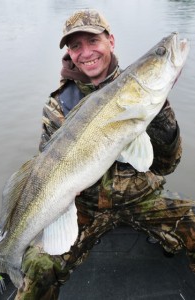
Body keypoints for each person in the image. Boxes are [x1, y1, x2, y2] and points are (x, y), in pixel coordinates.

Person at [16, 9, 195, 300]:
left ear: (111, 41)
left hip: (141, 196)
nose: (85, 52)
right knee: (37, 267)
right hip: (85, 208)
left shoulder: (140, 88)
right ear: (70, 54)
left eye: (93, 40)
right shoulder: (58, 105)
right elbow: (45, 175)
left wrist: (161, 109)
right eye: (76, 46)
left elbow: (166, 165)